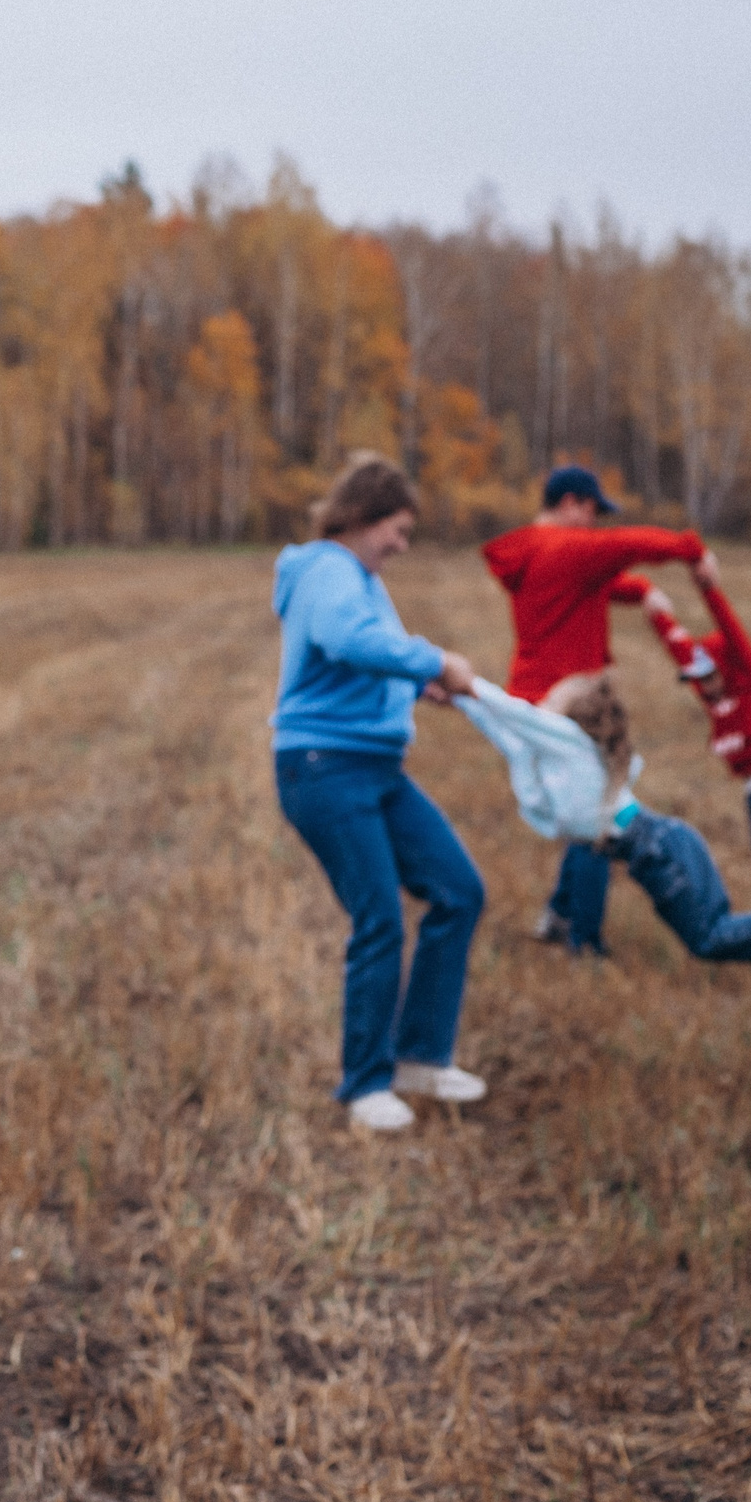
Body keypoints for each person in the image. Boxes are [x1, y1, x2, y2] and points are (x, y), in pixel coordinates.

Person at [271, 453, 487, 1134]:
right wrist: (434, 660)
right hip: (324, 768)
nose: (401, 543)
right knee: (380, 919)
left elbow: (362, 656)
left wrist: (415, 687)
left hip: (377, 767)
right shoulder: (330, 569)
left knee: (459, 889)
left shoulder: (359, 577)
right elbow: (348, 639)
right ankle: (365, 1085)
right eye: (396, 528)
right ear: (363, 516)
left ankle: (421, 1055)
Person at [452, 669, 751, 971]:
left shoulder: (569, 739)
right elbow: (510, 740)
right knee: (706, 941)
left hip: (657, 849)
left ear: (571, 717)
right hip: (661, 845)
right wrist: (458, 699)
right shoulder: (564, 755)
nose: (542, 701)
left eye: (552, 698)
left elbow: (516, 716)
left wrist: (468, 684)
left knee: (708, 937)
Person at [481, 464, 710, 954]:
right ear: (571, 503)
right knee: (596, 819)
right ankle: (583, 940)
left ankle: (560, 915)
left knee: (585, 808)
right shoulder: (565, 548)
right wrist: (692, 550)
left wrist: (644, 591)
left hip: (537, 697)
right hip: (564, 703)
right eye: (592, 511)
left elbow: (607, 584)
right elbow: (629, 545)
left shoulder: (537, 554)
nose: (595, 524)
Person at [639, 572, 751, 905]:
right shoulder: (711, 696)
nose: (703, 686)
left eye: (709, 677)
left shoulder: (750, 681)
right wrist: (658, 614)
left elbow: (730, 627)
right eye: (697, 680)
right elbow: (679, 647)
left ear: (726, 669)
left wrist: (708, 588)